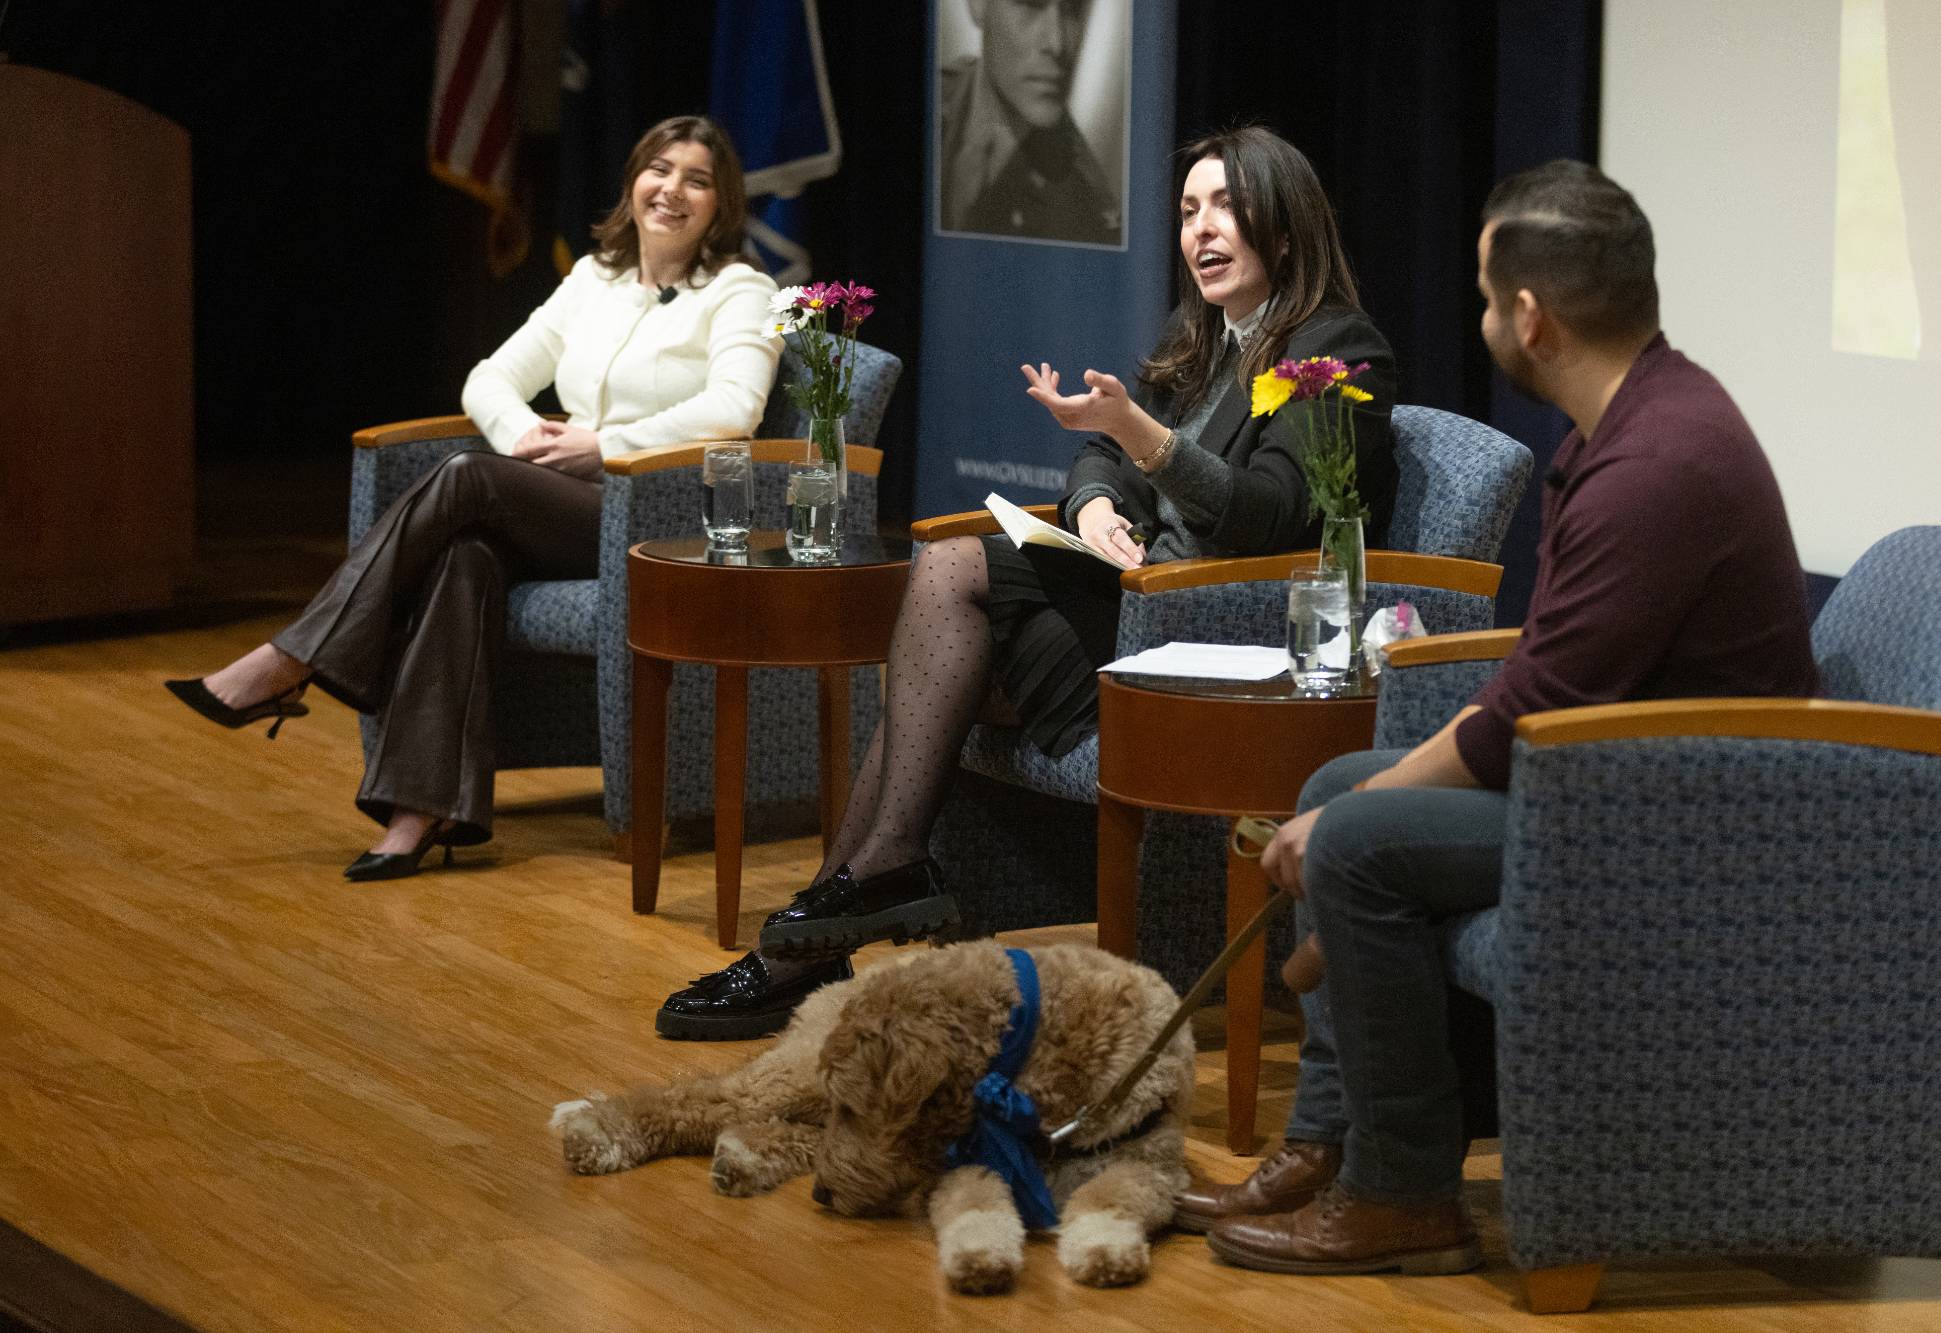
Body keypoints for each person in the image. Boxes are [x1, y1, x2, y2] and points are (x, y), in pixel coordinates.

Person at [1177, 161, 1821, 1276]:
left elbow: (1544, 703)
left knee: (1360, 837)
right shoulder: (1634, 419)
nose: (1480, 320)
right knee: (1339, 792)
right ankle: (1328, 1146)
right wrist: (1360, 796)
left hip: (1693, 818)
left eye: (1484, 298)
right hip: (1616, 774)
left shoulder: (1655, 464)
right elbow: (1549, 672)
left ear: (1530, 316)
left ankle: (1404, 1195)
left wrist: (1366, 810)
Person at [657, 125, 1399, 1040]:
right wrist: (1091, 503)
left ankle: (830, 922)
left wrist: (1145, 439)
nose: (1201, 231)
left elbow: (1269, 514)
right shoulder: (1206, 334)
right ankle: (835, 917)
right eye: (1187, 211)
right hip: (1136, 605)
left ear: (1283, 229)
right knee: (939, 647)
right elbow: (1104, 451)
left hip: (1221, 633)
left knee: (953, 584)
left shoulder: (1339, 348)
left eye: (1225, 209)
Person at [166, 116, 780, 880]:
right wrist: (527, 436)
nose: (673, 190)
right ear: (632, 183)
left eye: (697, 179)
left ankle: (294, 657)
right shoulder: (595, 280)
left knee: (465, 477)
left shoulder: (741, 291)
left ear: (721, 206)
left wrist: (603, 445)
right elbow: (489, 380)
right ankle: (422, 811)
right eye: (660, 169)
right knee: (466, 554)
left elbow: (734, 410)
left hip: (661, 511)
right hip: (562, 498)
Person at [938, 0, 1121, 245]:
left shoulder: (1087, 217)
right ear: (978, 5)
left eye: (1074, 10)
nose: (1057, 42)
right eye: (1031, 5)